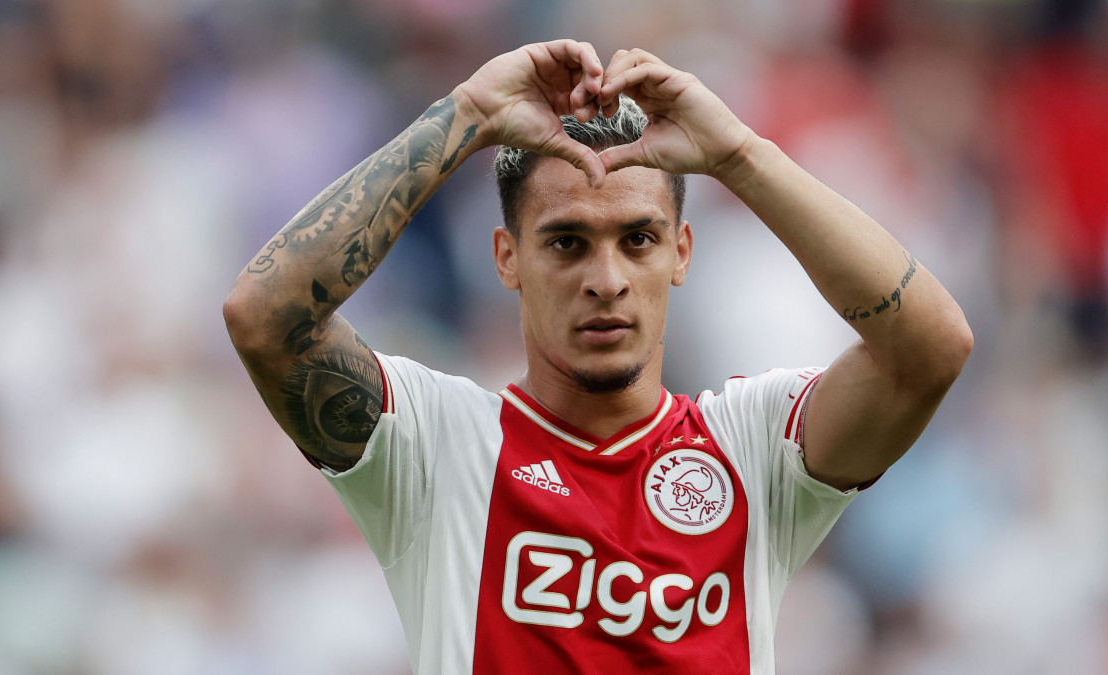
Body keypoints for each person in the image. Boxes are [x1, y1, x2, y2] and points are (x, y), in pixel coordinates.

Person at [223, 40, 972, 674]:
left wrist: (741, 156)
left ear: (681, 252)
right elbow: (265, 316)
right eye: (567, 242)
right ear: (507, 258)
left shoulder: (750, 448)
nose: (606, 280)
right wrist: (468, 115)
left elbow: (931, 349)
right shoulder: (435, 444)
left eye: (637, 239)